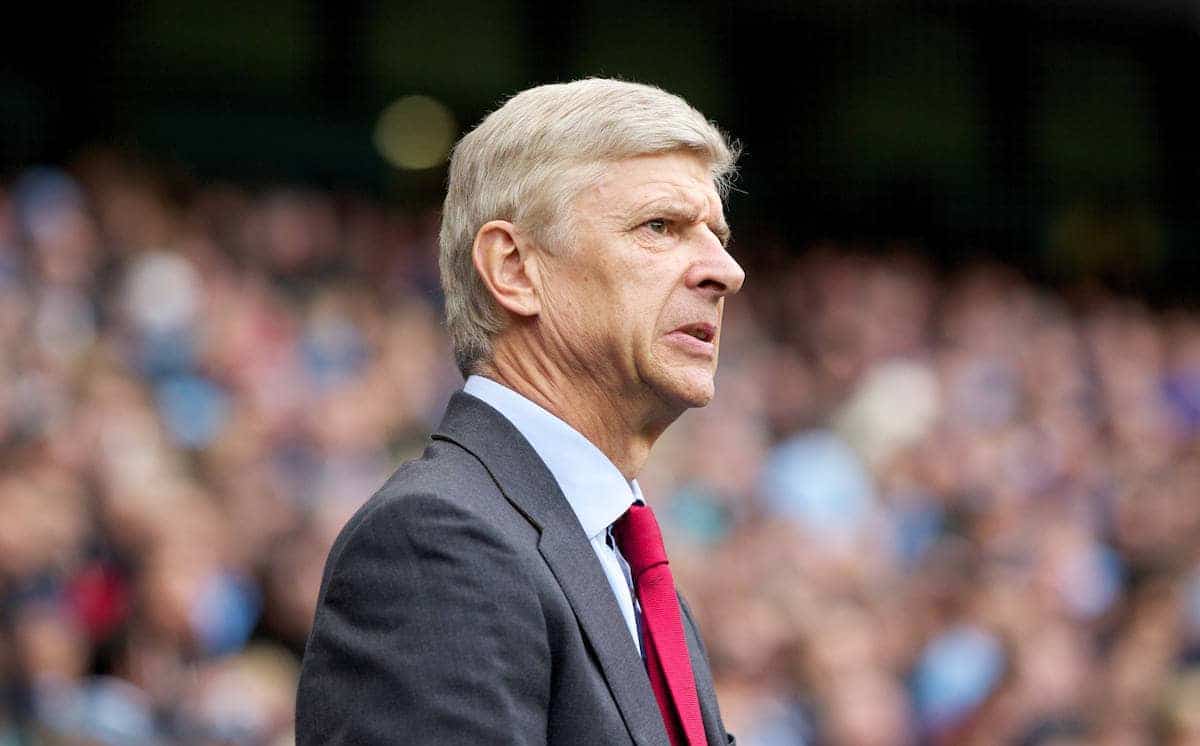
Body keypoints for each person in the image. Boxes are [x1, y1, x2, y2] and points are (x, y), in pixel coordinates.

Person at [296, 78, 745, 746]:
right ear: (513, 269)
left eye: (716, 233)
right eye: (661, 227)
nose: (725, 270)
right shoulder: (437, 541)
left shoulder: (623, 562)